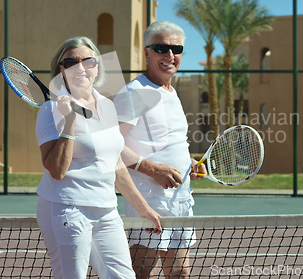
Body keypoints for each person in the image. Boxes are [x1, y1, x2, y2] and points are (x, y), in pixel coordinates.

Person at [35, 36, 162, 279]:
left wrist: (143, 208)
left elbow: (115, 163)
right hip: (67, 209)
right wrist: (70, 120)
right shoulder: (50, 110)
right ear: (61, 70)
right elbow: (57, 170)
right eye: (71, 62)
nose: (80, 67)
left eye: (88, 61)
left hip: (106, 209)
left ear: (97, 67)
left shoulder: (107, 106)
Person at [114, 21, 207, 278]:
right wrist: (152, 169)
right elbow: (109, 145)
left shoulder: (171, 92)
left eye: (176, 48)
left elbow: (166, 141)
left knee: (180, 274)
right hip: (149, 203)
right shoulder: (135, 92)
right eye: (161, 48)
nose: (170, 55)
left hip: (180, 202)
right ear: (146, 52)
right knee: (140, 273)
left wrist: (189, 163)